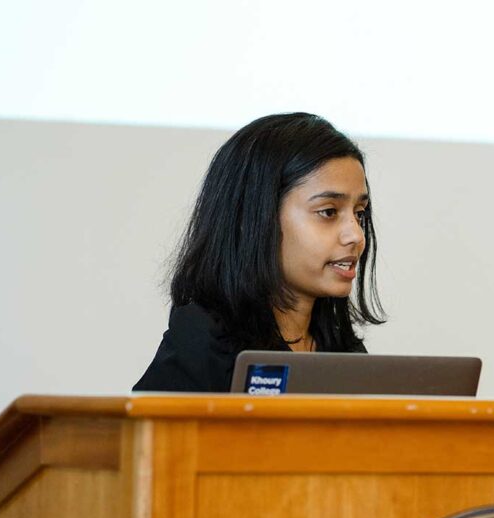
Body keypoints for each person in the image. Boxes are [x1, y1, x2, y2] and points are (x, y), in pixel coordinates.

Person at [133, 113, 385, 392]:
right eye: (328, 212)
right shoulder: (203, 342)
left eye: (359, 214)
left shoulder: (343, 349)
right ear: (256, 217)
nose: (356, 235)